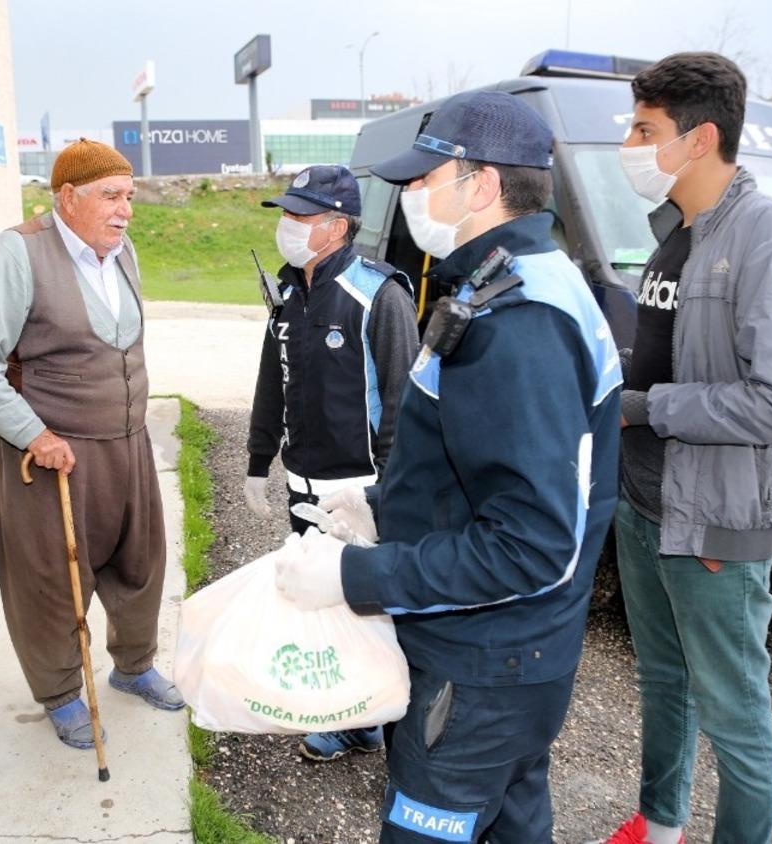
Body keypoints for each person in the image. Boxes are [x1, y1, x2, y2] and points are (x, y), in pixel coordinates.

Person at [274, 91, 623, 842]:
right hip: (510, 661)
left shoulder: (521, 319)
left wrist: (351, 577)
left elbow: (530, 545)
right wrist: (381, 503)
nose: (406, 199)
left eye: (424, 180)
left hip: (483, 670)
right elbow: (482, 462)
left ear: (483, 184)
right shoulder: (516, 279)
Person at [597, 53, 772, 844]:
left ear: (699, 138)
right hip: (646, 507)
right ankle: (660, 828)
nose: (629, 143)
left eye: (643, 129)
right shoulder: (676, 233)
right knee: (665, 684)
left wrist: (644, 408)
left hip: (715, 522)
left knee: (735, 718)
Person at [0, 139, 181, 752]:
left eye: (128, 196)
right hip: (54, 454)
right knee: (51, 580)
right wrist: (32, 433)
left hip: (127, 443)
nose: (125, 210)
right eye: (111, 196)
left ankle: (133, 668)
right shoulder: (18, 252)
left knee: (140, 562)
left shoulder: (121, 251)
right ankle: (61, 695)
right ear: (68, 197)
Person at [246, 164, 419, 762]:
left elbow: (405, 401)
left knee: (377, 607)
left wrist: (392, 495)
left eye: (302, 216)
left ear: (338, 227)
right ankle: (353, 717)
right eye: (286, 215)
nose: (288, 227)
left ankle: (401, 735)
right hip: (304, 482)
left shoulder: (380, 295)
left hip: (363, 489)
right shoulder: (290, 291)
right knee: (323, 603)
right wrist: (257, 458)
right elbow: (275, 379)